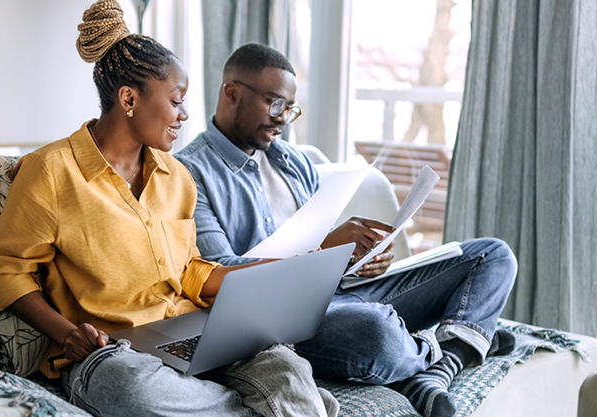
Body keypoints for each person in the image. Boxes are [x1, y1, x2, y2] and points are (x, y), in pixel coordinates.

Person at [0, 4, 336, 416]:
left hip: (190, 331)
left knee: (285, 364)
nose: (185, 115)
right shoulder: (52, 171)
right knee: (132, 388)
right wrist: (69, 333)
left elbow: (188, 272)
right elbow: (5, 272)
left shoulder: (176, 175)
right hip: (112, 350)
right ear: (129, 98)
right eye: (176, 101)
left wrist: (272, 272)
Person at [174, 43, 518, 417]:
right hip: (281, 322)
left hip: (344, 292)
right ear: (232, 92)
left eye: (290, 109)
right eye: (275, 105)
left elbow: (320, 237)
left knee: (493, 255)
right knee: (376, 331)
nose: (283, 119)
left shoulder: (293, 161)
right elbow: (219, 275)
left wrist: (363, 256)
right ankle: (458, 346)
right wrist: (322, 251)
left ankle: (434, 367)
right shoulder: (190, 174)